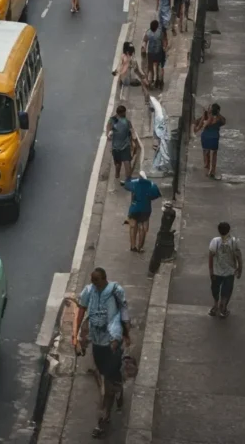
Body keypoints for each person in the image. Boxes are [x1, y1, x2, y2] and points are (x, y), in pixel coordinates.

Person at [72, 267, 131, 439]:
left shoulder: (115, 291)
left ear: (104, 278)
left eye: (96, 280)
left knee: (107, 383)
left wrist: (127, 333)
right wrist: (78, 336)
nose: (94, 283)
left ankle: (103, 420)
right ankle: (118, 388)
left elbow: (124, 310)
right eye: (92, 280)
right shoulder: (89, 292)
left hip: (113, 341)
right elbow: (82, 311)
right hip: (97, 342)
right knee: (104, 375)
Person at [208, 221, 243, 317]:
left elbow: (211, 257)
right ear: (229, 230)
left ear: (218, 231)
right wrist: (240, 269)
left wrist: (211, 271)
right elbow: (239, 257)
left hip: (216, 272)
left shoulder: (215, 241)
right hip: (229, 272)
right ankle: (223, 308)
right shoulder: (234, 241)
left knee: (215, 289)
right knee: (227, 290)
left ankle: (215, 306)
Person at [124, 172, 162, 253]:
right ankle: (140, 247)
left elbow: (126, 185)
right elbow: (156, 195)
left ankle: (132, 246)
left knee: (133, 226)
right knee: (143, 228)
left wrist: (128, 177)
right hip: (145, 209)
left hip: (134, 208)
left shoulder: (134, 183)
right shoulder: (152, 185)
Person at [107, 103, 138, 183]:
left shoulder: (112, 120)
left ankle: (117, 174)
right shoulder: (127, 122)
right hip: (125, 147)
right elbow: (133, 135)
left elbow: (108, 134)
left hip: (115, 147)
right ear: (123, 113)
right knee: (127, 163)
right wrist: (136, 144)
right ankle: (128, 180)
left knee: (117, 163)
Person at [195, 103, 226, 178]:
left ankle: (212, 171)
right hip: (206, 137)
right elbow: (202, 125)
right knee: (206, 153)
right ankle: (207, 167)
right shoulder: (206, 116)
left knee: (214, 153)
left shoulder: (219, 118)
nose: (210, 110)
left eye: (211, 109)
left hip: (214, 137)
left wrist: (217, 115)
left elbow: (224, 122)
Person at [143, 18, 165, 88]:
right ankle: (158, 80)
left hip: (150, 53)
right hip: (158, 52)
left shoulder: (148, 33)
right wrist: (164, 48)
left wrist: (143, 50)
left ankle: (151, 80)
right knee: (158, 66)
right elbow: (163, 41)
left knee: (150, 67)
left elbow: (144, 42)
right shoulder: (160, 32)